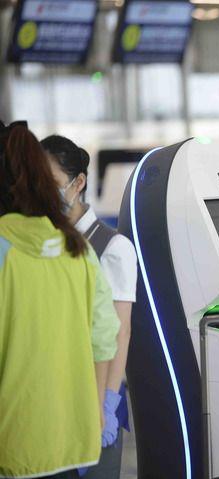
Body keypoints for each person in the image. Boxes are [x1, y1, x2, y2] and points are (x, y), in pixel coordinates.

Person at [0, 122, 120, 479]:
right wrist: (97, 410)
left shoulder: (5, 249)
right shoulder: (78, 248)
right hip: (71, 443)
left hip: (12, 445)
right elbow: (104, 336)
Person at [42, 135, 137, 479]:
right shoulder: (43, 242)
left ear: (79, 182)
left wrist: (107, 402)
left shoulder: (112, 246)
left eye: (52, 182)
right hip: (55, 396)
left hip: (96, 396)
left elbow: (120, 332)